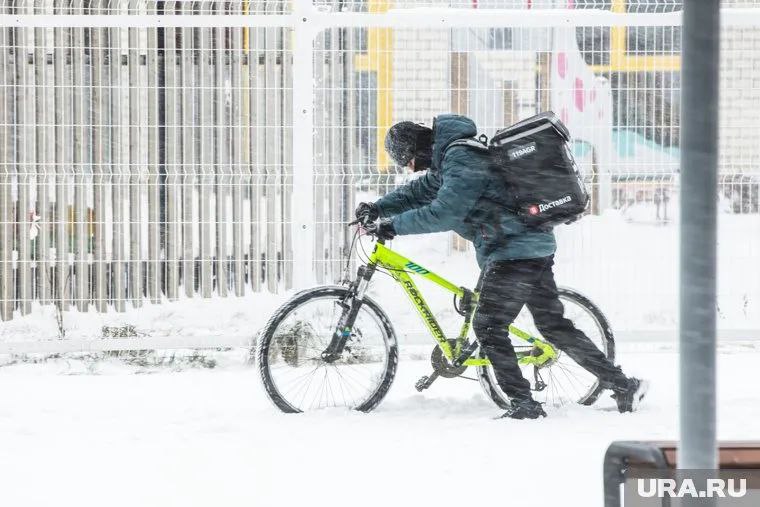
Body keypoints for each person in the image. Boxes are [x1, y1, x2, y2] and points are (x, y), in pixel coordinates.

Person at [356, 114, 648, 419]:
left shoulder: (461, 157)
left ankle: (524, 404)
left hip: (514, 252)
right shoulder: (453, 159)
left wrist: (393, 226)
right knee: (553, 326)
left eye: (411, 161)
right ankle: (624, 385)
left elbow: (445, 212)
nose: (413, 168)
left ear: (420, 148)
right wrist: (379, 207)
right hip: (526, 247)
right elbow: (419, 191)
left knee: (488, 325)